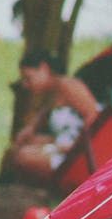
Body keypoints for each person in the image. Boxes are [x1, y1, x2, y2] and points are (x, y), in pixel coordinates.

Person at [8, 49, 100, 185]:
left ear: (44, 69)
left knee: (23, 157)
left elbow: (94, 118)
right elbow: (39, 119)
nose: (25, 85)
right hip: (63, 144)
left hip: (77, 153)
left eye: (28, 79)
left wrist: (73, 147)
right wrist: (29, 130)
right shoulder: (51, 93)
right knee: (17, 149)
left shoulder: (69, 87)